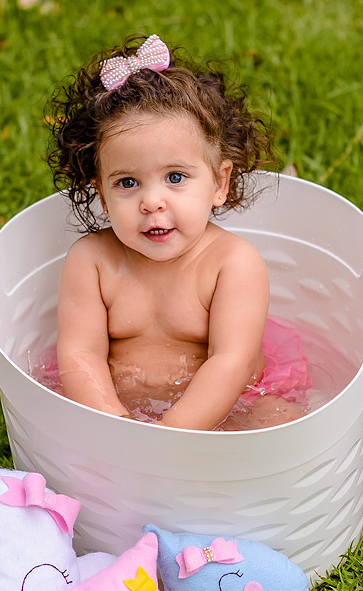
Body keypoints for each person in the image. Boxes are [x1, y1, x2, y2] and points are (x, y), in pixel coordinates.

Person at [47, 34, 309, 431]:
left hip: (229, 400)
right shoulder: (92, 261)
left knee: (283, 423)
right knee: (60, 417)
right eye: (127, 183)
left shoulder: (231, 264)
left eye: (175, 177)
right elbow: (81, 354)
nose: (152, 202)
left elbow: (230, 361)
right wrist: (116, 424)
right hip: (121, 407)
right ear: (101, 194)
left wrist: (172, 435)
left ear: (220, 184)